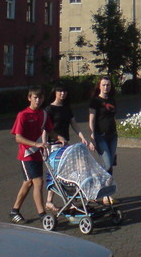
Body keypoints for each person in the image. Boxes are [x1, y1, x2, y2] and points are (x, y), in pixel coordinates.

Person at [9, 87, 65, 224]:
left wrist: (61, 138)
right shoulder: (23, 115)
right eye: (35, 98)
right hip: (26, 155)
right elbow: (18, 138)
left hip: (37, 155)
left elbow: (50, 131)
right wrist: (36, 144)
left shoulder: (43, 114)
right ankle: (42, 215)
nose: (38, 100)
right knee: (38, 182)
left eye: (40, 98)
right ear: (29, 98)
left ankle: (14, 211)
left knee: (28, 183)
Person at [44, 82, 93, 210]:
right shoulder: (49, 109)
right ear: (55, 92)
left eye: (64, 91)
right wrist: (45, 146)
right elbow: (45, 129)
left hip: (65, 145)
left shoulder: (66, 108)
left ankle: (69, 200)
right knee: (56, 173)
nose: (62, 94)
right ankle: (50, 201)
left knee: (68, 173)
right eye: (60, 91)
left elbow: (74, 124)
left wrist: (82, 137)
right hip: (54, 145)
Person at [89, 77, 118, 175]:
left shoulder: (112, 100)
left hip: (113, 136)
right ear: (99, 86)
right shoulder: (95, 101)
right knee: (108, 164)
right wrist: (92, 138)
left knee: (110, 164)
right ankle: (97, 180)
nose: (106, 87)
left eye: (108, 85)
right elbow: (91, 120)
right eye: (104, 85)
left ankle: (108, 186)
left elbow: (112, 117)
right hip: (100, 136)